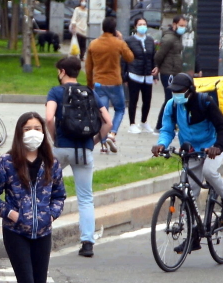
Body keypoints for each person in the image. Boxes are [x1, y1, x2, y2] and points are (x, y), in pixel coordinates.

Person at [0, 112, 65, 283]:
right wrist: (10, 213)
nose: (33, 132)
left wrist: (51, 216)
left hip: (43, 231)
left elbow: (59, 196)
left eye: (37, 128)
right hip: (16, 232)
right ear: (19, 133)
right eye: (27, 128)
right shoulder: (7, 162)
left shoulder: (51, 163)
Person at [153, 72, 223, 248]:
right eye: (173, 91)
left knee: (209, 171)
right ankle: (193, 235)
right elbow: (167, 129)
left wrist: (218, 147)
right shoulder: (172, 105)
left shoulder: (205, 102)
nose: (176, 95)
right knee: (190, 193)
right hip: (191, 151)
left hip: (212, 148)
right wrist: (161, 144)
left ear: (190, 91)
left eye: (180, 91)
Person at [46, 55, 112, 259]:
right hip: (84, 151)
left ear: (62, 72)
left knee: (44, 189)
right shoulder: (90, 92)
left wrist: (55, 138)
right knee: (85, 197)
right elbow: (107, 122)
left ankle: (40, 236)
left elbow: (49, 118)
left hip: (61, 148)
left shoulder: (56, 92)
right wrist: (93, 142)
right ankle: (87, 243)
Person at [85, 16, 134, 152]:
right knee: (120, 109)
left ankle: (103, 143)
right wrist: (121, 39)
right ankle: (112, 134)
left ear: (102, 28)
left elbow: (88, 67)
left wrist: (90, 84)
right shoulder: (118, 43)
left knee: (103, 113)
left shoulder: (94, 44)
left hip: (99, 83)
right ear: (114, 29)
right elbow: (130, 57)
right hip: (115, 82)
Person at [153, 16, 187, 131]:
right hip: (169, 72)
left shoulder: (177, 38)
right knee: (170, 100)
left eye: (184, 26)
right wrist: (157, 66)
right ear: (174, 25)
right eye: (181, 25)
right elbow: (159, 55)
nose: (183, 28)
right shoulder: (169, 38)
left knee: (173, 100)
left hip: (174, 72)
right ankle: (160, 126)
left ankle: (170, 125)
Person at [125, 17, 157, 134]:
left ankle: (144, 122)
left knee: (147, 100)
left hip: (147, 74)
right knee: (133, 100)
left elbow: (153, 57)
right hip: (134, 74)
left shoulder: (150, 40)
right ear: (135, 27)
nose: (142, 26)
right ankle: (132, 123)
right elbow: (125, 59)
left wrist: (155, 73)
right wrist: (125, 76)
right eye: (140, 24)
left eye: (144, 24)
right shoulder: (129, 41)